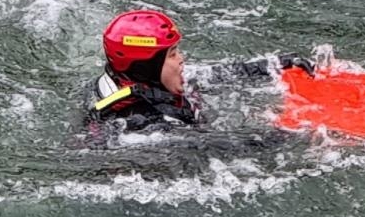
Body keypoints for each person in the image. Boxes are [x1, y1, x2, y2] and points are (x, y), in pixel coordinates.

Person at [85, 9, 312, 145]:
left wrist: (276, 65)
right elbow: (215, 148)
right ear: (147, 67)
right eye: (172, 55)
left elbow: (217, 75)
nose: (182, 60)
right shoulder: (144, 123)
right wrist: (292, 135)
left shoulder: (133, 79)